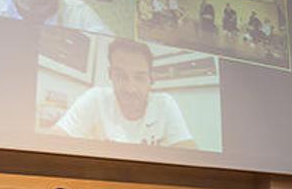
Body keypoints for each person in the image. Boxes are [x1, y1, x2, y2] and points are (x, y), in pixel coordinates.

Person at [54, 38, 195, 148]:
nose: (130, 89)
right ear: (110, 74)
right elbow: (54, 139)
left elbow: (190, 156)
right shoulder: (95, 98)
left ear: (151, 78)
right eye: (121, 76)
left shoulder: (164, 104)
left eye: (139, 77)